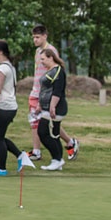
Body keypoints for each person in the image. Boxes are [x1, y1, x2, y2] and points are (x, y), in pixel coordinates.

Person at [27, 25, 78, 163]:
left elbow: (53, 74)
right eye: (33, 37)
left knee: (46, 124)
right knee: (37, 122)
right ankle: (39, 150)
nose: (35, 40)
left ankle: (67, 143)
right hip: (36, 91)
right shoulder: (37, 51)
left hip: (44, 93)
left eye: (37, 37)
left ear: (45, 36)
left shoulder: (51, 51)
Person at [0, 40, 26, 177]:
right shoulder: (10, 66)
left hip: (4, 107)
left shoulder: (2, 69)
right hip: (10, 106)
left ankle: (2, 169)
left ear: (1, 51)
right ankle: (20, 155)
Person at [35, 48, 68, 171]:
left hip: (55, 108)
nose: (41, 62)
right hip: (45, 107)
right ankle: (58, 160)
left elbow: (57, 91)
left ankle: (57, 159)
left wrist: (52, 106)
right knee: (54, 135)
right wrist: (39, 104)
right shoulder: (50, 70)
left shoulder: (58, 71)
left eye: (43, 59)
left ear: (50, 57)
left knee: (43, 132)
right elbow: (44, 89)